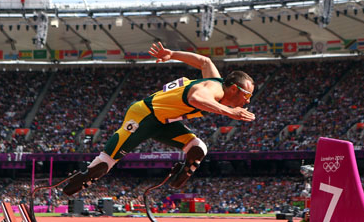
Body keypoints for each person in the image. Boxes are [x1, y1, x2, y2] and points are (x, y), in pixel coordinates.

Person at [63, 42, 256, 196]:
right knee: (108, 161)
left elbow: (204, 61)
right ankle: (83, 177)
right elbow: (195, 98)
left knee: (198, 148)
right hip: (144, 115)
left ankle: (179, 176)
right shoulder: (214, 89)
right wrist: (229, 112)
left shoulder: (215, 81)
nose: (247, 100)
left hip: (164, 121)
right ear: (233, 89)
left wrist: (172, 54)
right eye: (247, 95)